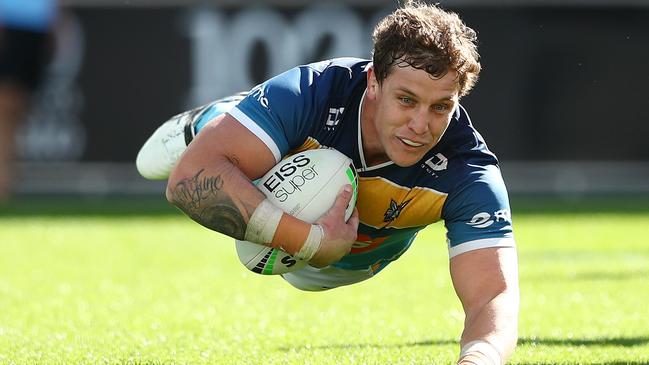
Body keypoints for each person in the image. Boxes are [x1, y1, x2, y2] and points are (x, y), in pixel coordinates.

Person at [136, 2, 518, 364]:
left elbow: (493, 295)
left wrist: (479, 358)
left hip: (354, 265)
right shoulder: (310, 93)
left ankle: (240, 126)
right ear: (373, 82)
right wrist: (310, 240)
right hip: (295, 226)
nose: (420, 125)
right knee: (189, 158)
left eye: (440, 107)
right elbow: (187, 180)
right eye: (406, 100)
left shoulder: (468, 169)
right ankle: (219, 122)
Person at [0, 0, 57, 200]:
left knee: (17, 109)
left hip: (35, 25)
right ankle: (3, 182)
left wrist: (54, 18)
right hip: (9, 22)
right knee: (6, 106)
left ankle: (6, 180)